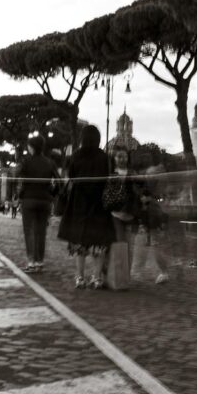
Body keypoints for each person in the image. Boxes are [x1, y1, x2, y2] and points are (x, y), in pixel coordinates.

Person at [57, 124, 115, 289]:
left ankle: (79, 277)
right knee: (98, 242)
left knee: (79, 242)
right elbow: (106, 178)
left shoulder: (75, 156)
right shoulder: (105, 157)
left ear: (82, 138)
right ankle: (96, 278)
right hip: (98, 203)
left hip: (79, 202)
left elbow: (72, 177)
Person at [100, 146, 141, 287]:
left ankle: (124, 276)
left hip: (130, 214)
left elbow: (140, 192)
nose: (122, 159)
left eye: (124, 156)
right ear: (114, 158)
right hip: (115, 214)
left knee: (128, 246)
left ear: (128, 158)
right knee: (120, 243)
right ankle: (116, 275)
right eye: (119, 156)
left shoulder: (134, 174)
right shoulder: (111, 174)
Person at [17, 136, 59, 273]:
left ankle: (31, 262)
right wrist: (52, 193)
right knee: (41, 232)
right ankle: (40, 262)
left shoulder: (26, 161)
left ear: (32, 147)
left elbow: (16, 174)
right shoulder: (50, 162)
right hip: (45, 199)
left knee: (29, 231)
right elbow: (59, 181)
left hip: (29, 198)